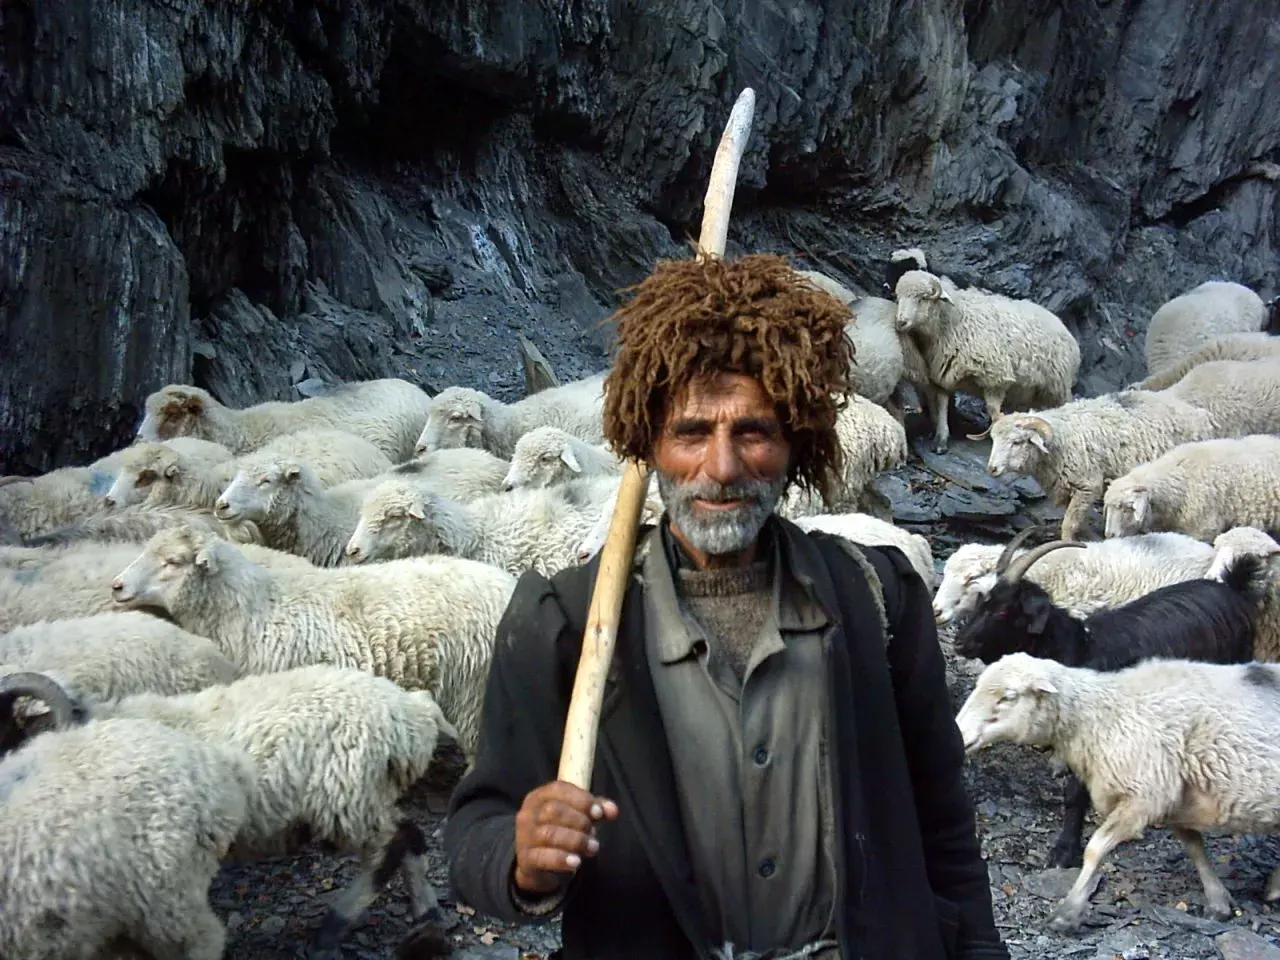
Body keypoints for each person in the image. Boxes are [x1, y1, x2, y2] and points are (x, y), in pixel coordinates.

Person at [442, 253, 1009, 960]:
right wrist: (519, 856)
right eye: (690, 432)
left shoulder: (878, 602)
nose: (721, 467)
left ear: (794, 443)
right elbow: (476, 828)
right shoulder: (565, 624)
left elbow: (943, 824)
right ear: (647, 442)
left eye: (752, 431)